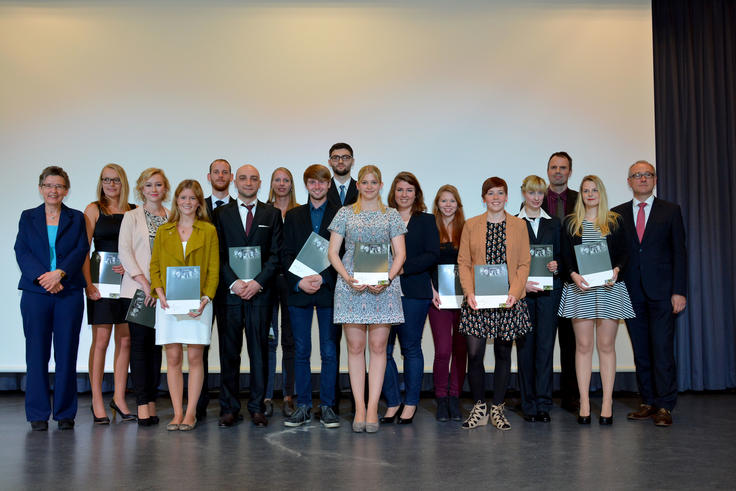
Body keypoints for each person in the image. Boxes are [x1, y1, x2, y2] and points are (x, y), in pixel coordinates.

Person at [328, 165, 406, 433]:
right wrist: (347, 278)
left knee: (378, 347)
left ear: (381, 185)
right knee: (355, 348)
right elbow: (333, 253)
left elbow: (400, 255)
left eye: (374, 182)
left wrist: (386, 280)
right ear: (358, 185)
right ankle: (359, 407)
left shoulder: (392, 215)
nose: (369, 186)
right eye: (365, 182)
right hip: (352, 287)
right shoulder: (344, 213)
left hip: (383, 289)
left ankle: (373, 407)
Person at [611, 161, 687, 427]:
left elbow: (679, 253)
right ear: (629, 181)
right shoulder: (616, 214)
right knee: (641, 350)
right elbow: (615, 255)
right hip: (630, 293)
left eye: (647, 175)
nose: (642, 179)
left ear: (654, 179)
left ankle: (665, 405)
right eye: (636, 175)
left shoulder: (671, 211)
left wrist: (679, 291)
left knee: (662, 349)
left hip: (663, 293)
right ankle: (648, 402)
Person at [15, 166, 89, 431]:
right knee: (36, 354)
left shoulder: (77, 218)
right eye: (48, 185)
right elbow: (21, 250)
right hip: (36, 293)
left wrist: (59, 273)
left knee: (67, 353)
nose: (53, 190)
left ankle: (65, 413)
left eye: (58, 186)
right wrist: (43, 278)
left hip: (68, 292)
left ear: (66, 190)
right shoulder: (28, 217)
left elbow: (81, 249)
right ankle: (37, 414)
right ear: (40, 188)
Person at [558, 175, 635, 425]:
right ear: (580, 195)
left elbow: (624, 253)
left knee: (606, 347)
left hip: (610, 290)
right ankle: (583, 402)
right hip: (580, 290)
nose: (590, 194)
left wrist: (616, 270)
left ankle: (607, 402)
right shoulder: (571, 223)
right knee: (582, 347)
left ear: (601, 193)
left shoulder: (614, 222)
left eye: (594, 190)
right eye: (585, 191)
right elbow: (565, 256)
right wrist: (572, 274)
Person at [458, 177, 531, 431]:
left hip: (508, 300)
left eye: (500, 193)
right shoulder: (471, 225)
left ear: (507, 197)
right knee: (475, 354)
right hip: (477, 300)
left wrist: (515, 292)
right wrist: (468, 293)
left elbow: (524, 264)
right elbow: (464, 263)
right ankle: (479, 407)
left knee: (503, 352)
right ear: (484, 198)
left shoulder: (519, 226)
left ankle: (498, 408)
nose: (496, 197)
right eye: (491, 193)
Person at [214, 164, 283, 428]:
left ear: (260, 183)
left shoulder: (272, 213)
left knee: (259, 353)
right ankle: (229, 408)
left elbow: (276, 254)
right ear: (234, 181)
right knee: (229, 353)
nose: (248, 182)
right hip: (230, 296)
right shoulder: (220, 214)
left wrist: (257, 283)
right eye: (243, 178)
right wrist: (233, 283)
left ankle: (257, 407)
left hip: (260, 294)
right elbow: (217, 254)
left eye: (253, 178)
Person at [149, 180, 219, 431]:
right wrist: (159, 292)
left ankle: (191, 413)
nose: (187, 202)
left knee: (195, 356)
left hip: (198, 303)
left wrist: (206, 298)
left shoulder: (208, 230)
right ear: (176, 201)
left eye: (192, 198)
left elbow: (213, 269)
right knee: (174, 357)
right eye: (183, 198)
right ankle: (177, 413)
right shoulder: (164, 231)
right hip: (168, 303)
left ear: (199, 202)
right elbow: (154, 266)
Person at [281, 164, 341, 428]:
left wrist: (324, 278)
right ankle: (303, 405)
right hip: (300, 292)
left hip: (329, 290)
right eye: (312, 183)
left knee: (329, 351)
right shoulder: (293, 216)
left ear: (329, 185)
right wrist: (299, 282)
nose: (317, 187)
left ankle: (328, 406)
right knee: (301, 351)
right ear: (306, 185)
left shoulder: (341, 214)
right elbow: (284, 254)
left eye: (322, 182)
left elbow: (345, 253)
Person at [381, 172, 439, 425]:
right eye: (400, 189)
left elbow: (432, 254)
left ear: (416, 194)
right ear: (393, 193)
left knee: (411, 348)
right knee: (382, 349)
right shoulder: (383, 218)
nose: (404, 194)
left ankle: (411, 402)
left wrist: (402, 268)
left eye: (409, 190)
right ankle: (393, 401)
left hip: (414, 292)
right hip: (382, 292)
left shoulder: (426, 220)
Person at [82, 164, 136, 424]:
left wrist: (130, 264)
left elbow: (141, 249)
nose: (111, 184)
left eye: (115, 180)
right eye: (106, 180)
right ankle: (95, 399)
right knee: (101, 340)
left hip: (128, 284)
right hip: (101, 285)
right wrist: (88, 284)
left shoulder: (135, 211)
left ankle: (119, 397)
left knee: (125, 341)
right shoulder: (93, 209)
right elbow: (83, 250)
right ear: (101, 182)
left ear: (123, 182)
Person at [118, 168, 170, 426]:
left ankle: (151, 401)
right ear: (141, 189)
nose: (154, 189)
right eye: (148, 185)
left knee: (156, 348)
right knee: (139, 348)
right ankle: (141, 405)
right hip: (137, 292)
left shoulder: (173, 216)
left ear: (165, 189)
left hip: (163, 294)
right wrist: (145, 282)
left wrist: (159, 287)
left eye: (158, 185)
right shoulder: (131, 217)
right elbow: (124, 252)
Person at [515, 175, 562, 423]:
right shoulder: (512, 223)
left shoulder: (554, 224)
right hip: (522, 296)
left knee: (545, 349)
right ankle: (528, 404)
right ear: (523, 193)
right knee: (525, 351)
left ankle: (543, 404)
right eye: (531, 193)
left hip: (548, 296)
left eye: (540, 193)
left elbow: (564, 257)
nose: (535, 198)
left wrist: (557, 265)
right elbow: (506, 262)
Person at [541, 151, 580, 412]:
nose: (558, 171)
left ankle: (571, 397)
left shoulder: (581, 200)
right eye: (554, 167)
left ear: (570, 171)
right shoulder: (535, 198)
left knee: (571, 343)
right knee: (542, 343)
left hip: (574, 281)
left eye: (563, 167)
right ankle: (539, 397)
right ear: (548, 171)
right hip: (542, 282)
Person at [197, 158, 235, 420]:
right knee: (199, 346)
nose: (220, 175)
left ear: (231, 177)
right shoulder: (197, 207)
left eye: (225, 172)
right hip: (200, 289)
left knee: (228, 349)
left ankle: (227, 405)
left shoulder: (240, 208)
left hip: (229, 288)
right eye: (216, 172)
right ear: (208, 177)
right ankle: (197, 404)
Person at [428, 184, 467, 422]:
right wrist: (430, 290)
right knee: (443, 350)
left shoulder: (468, 228)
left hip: (464, 300)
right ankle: (441, 397)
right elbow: (425, 264)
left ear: (458, 204)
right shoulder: (430, 228)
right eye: (443, 200)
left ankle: (455, 397)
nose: (448, 205)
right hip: (438, 299)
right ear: (437, 204)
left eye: (452, 200)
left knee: (461, 350)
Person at [265, 167, 299, 417]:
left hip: (291, 284)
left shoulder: (300, 212)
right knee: (268, 341)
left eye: (286, 179)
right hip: (266, 282)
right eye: (277, 179)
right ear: (272, 183)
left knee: (290, 341)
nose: (281, 183)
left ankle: (289, 395)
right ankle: (266, 395)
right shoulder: (263, 210)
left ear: (292, 184)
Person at [326, 142, 358, 208]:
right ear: (329, 162)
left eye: (345, 157)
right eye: (335, 158)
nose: (340, 161)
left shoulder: (362, 189)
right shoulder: (321, 190)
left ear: (353, 161)